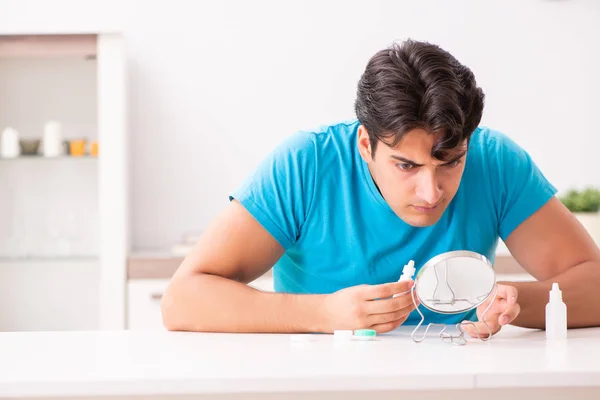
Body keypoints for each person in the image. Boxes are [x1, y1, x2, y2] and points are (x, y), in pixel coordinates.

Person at [161, 39, 600, 336]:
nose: (431, 193)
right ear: (366, 145)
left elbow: (594, 284)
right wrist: (323, 314)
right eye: (406, 165)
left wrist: (514, 301)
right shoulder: (307, 164)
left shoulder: (496, 161)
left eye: (450, 162)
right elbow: (182, 300)